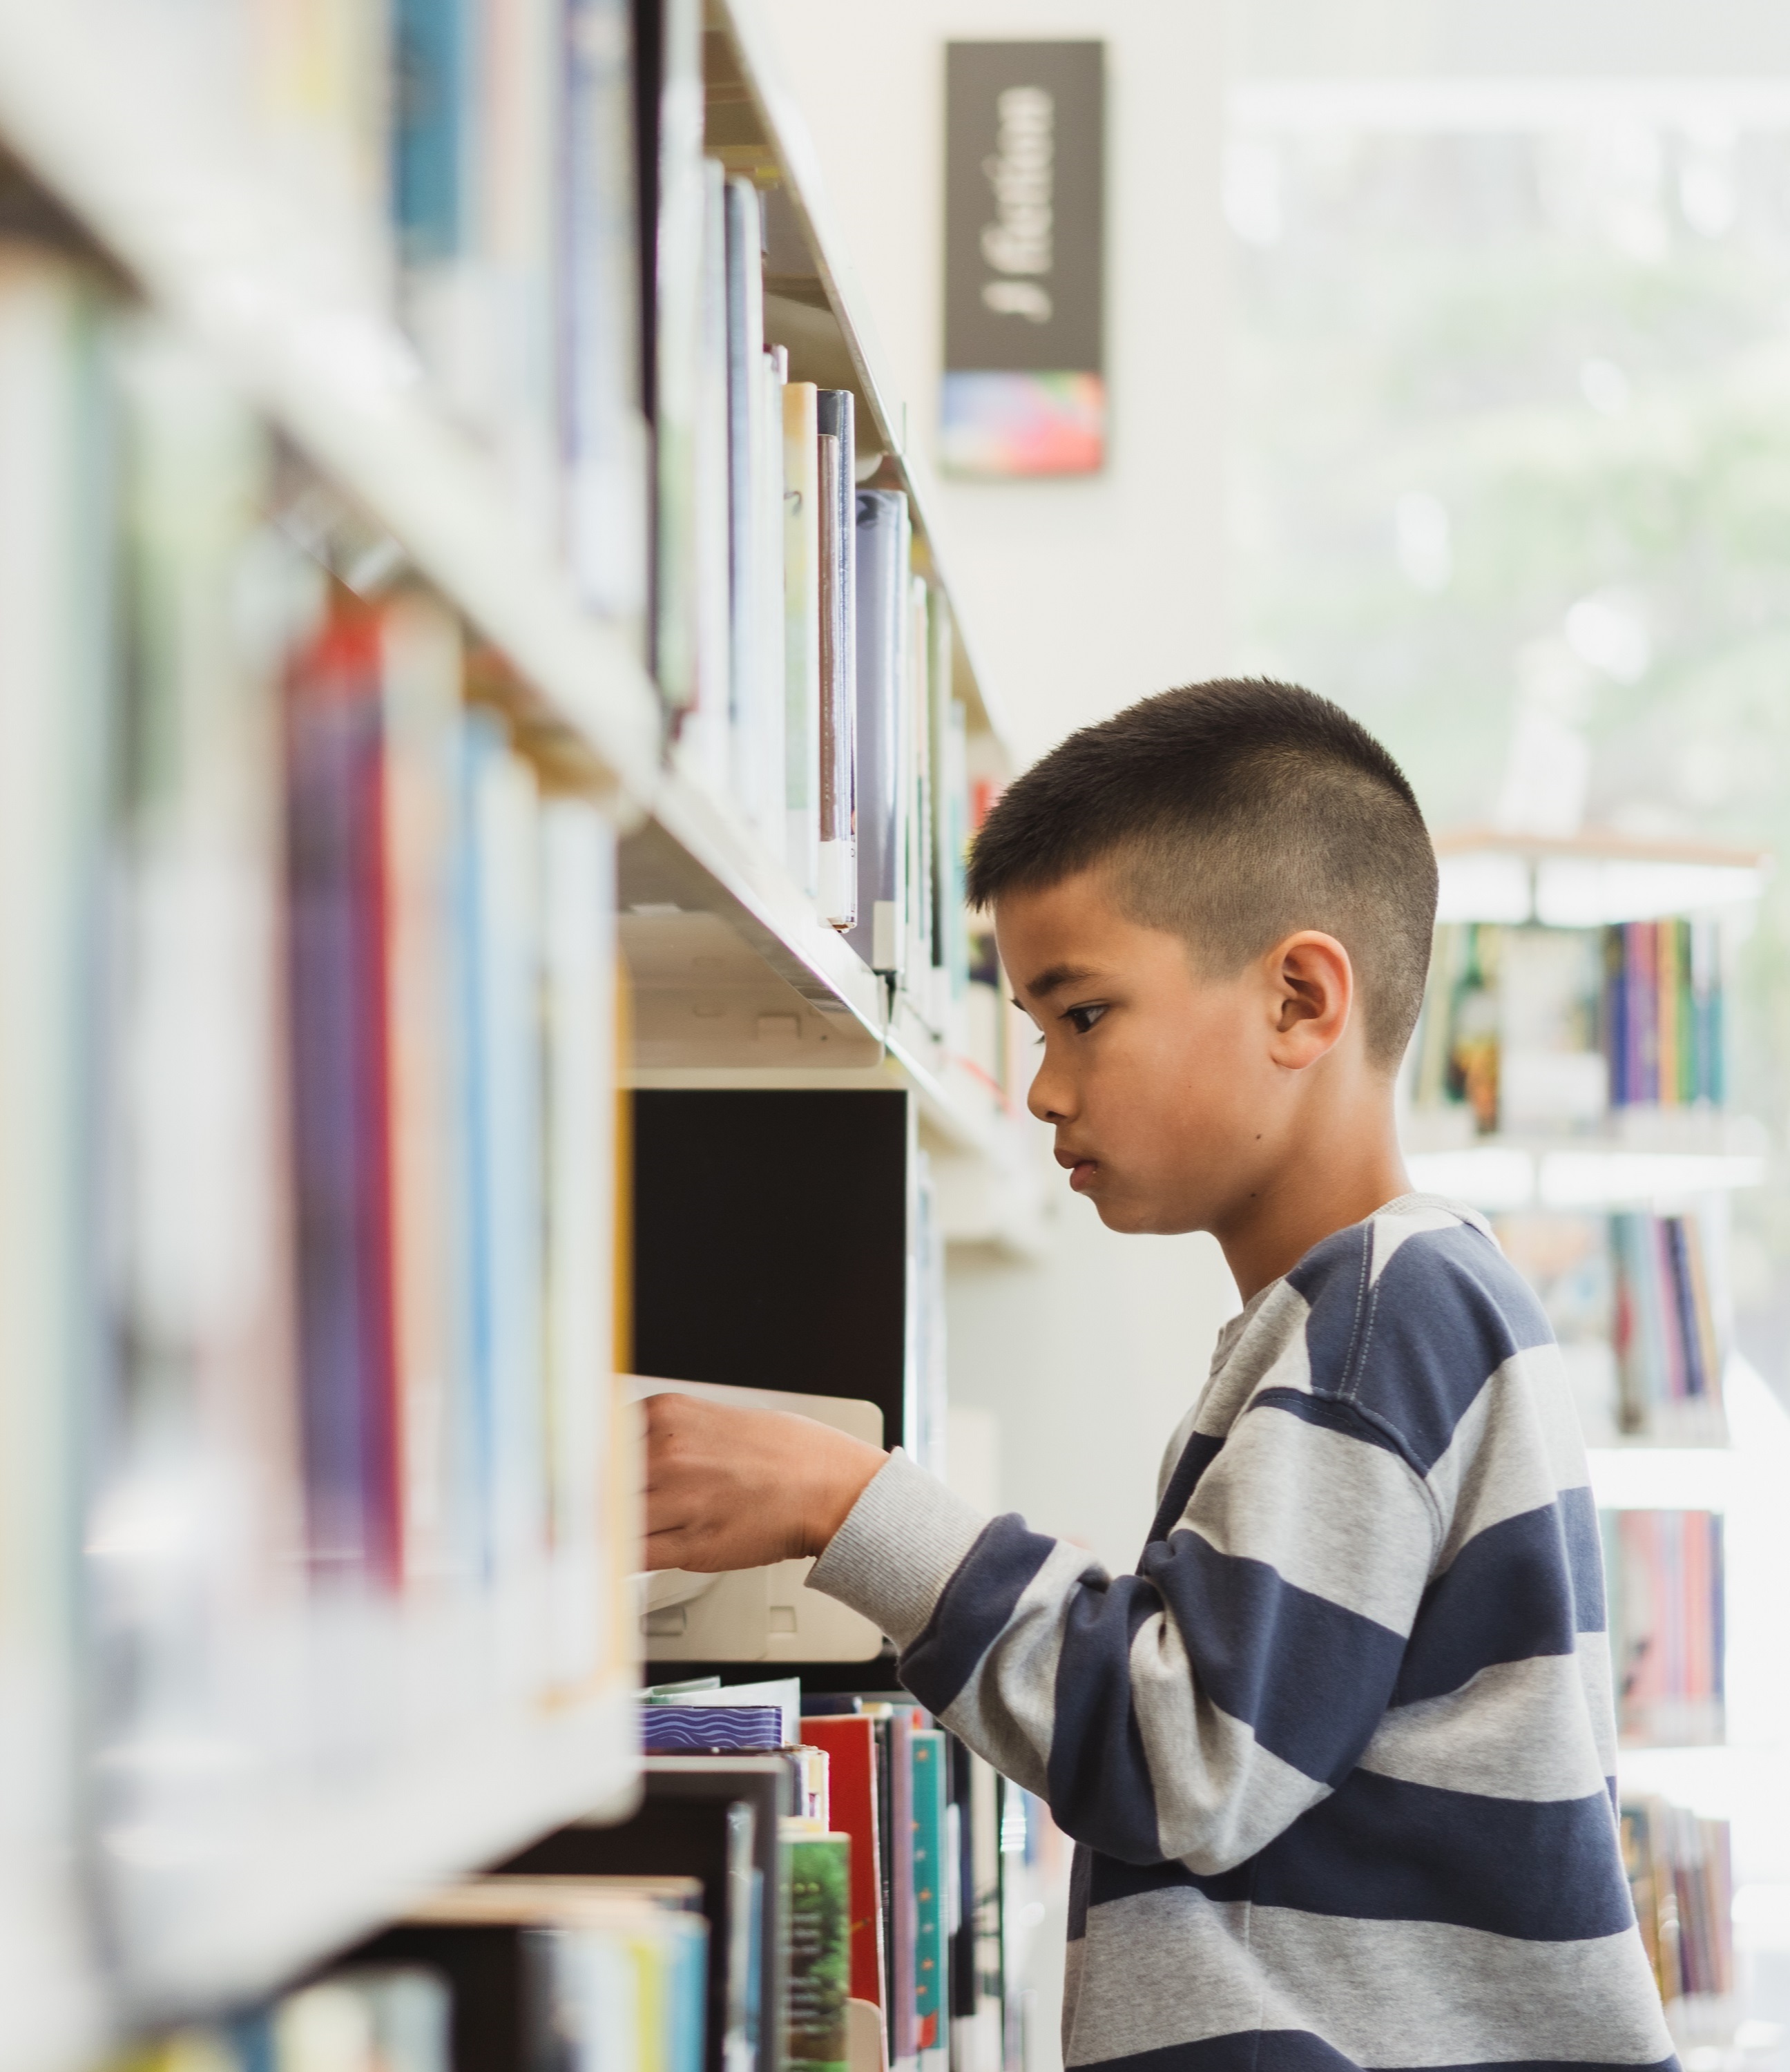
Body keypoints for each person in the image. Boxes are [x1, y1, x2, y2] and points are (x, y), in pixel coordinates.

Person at [641, 680, 1672, 2071]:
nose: (1045, 1090)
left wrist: (849, 1503)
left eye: (1082, 1016)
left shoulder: (1385, 1313)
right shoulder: (1355, 1318)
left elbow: (1195, 1754)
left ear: (1301, 1000)